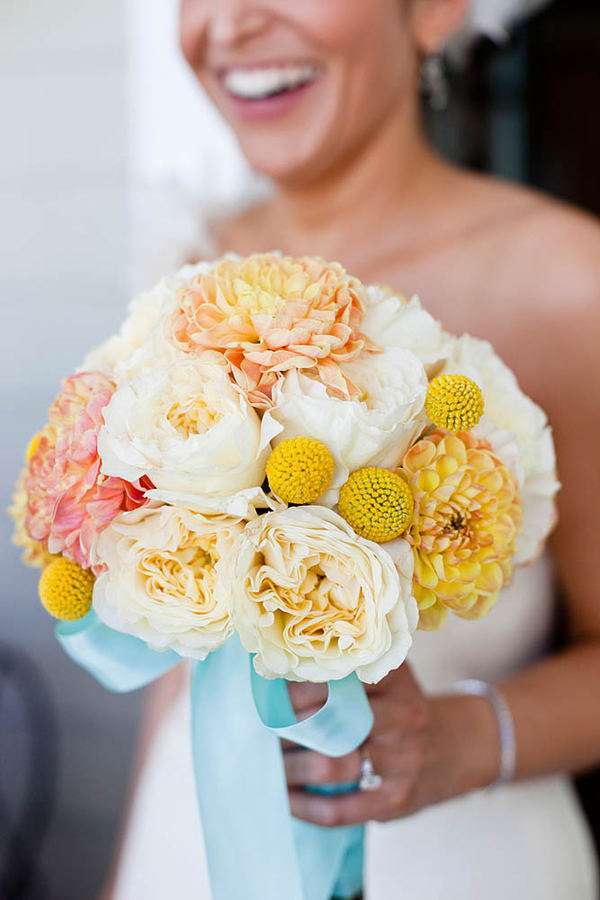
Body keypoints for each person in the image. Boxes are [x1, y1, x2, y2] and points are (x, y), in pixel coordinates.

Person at [103, 1, 600, 897]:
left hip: (465, 862)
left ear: (437, 9)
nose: (231, 23)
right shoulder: (184, 267)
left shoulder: (569, 284)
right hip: (189, 851)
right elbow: (177, 655)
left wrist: (458, 740)